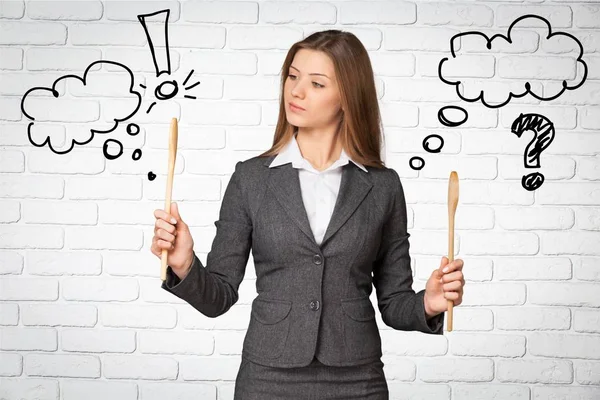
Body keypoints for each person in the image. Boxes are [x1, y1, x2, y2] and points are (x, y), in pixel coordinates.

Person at [151, 30, 465, 400]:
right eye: (293, 76)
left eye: (316, 83)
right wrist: (185, 265)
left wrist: (428, 304)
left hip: (357, 379)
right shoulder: (250, 179)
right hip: (267, 378)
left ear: (348, 97)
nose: (296, 91)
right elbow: (218, 297)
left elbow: (394, 303)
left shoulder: (383, 186)